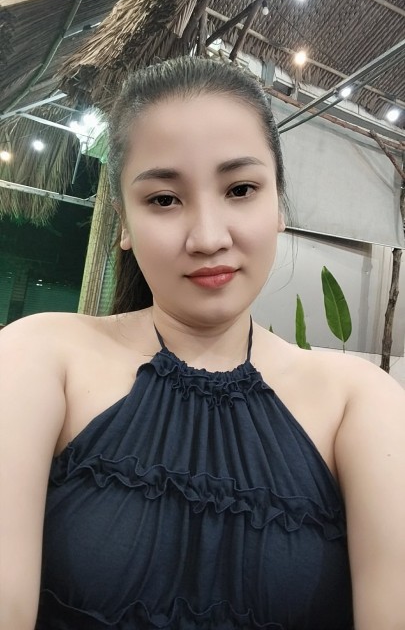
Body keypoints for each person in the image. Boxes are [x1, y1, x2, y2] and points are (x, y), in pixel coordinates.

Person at [0, 57, 404, 630]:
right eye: (164, 199)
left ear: (279, 204)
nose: (209, 238)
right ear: (123, 221)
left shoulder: (360, 402)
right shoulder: (38, 358)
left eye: (240, 189)